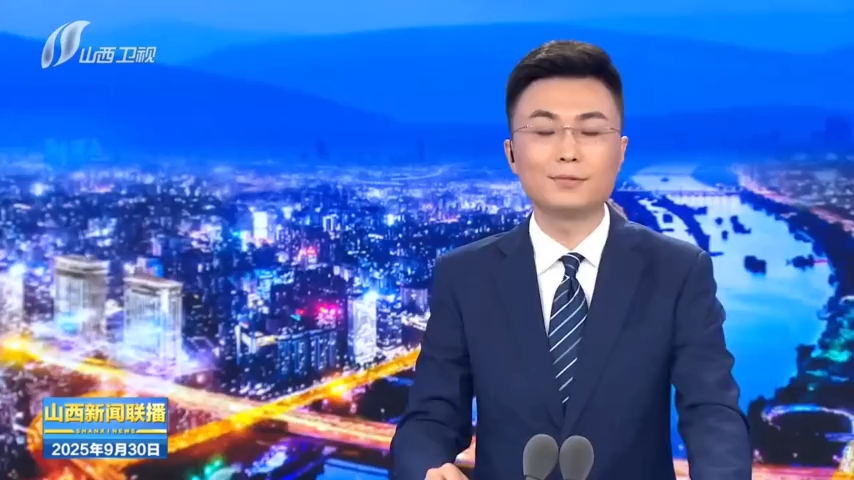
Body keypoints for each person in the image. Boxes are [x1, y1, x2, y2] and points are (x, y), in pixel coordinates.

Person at [390, 40, 751, 480]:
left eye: (591, 131)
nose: (568, 151)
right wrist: (427, 470)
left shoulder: (678, 271)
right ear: (511, 153)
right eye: (544, 131)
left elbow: (712, 412)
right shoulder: (465, 276)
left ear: (620, 152)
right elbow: (430, 419)